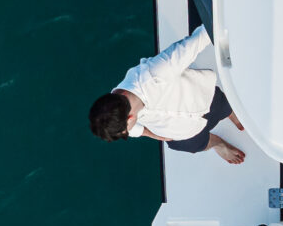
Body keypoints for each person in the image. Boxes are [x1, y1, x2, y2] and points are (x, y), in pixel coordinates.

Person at [88, 24, 247, 164]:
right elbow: (131, 129)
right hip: (179, 136)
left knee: (224, 106)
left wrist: (225, 26)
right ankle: (217, 143)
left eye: (125, 131)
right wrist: (153, 135)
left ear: (130, 118)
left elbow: (198, 39)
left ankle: (229, 112)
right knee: (195, 145)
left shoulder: (156, 73)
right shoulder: (117, 107)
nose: (127, 133)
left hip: (204, 101)